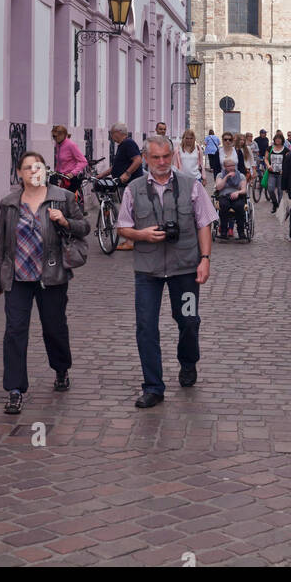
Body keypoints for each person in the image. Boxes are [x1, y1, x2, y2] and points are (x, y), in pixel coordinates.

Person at [115, 135, 216, 408]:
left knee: (189, 320)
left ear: (172, 155)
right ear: (145, 159)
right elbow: (122, 227)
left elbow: (204, 223)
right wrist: (141, 234)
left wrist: (205, 258)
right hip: (147, 271)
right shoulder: (133, 189)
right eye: (155, 158)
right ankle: (153, 386)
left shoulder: (190, 185)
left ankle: (188, 361)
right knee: (146, 327)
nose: (161, 163)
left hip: (185, 269)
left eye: (166, 157)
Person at [0, 150, 89, 416]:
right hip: (18, 277)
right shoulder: (9, 203)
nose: (34, 172)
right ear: (20, 174)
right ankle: (14, 390)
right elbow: (3, 244)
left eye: (39, 167)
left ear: (45, 171)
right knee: (14, 331)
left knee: (54, 328)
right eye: (28, 168)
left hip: (52, 275)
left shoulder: (63, 198)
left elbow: (84, 227)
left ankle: (61, 369)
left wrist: (65, 221)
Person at [98, 123, 142, 187]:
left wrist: (127, 174)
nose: (111, 136)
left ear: (117, 132)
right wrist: (101, 175)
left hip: (130, 184)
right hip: (122, 183)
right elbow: (117, 166)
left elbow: (138, 160)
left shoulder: (128, 143)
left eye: (111, 133)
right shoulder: (123, 144)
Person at [214, 157, 248, 240]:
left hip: (237, 196)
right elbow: (218, 187)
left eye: (233, 165)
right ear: (225, 167)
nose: (232, 167)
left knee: (240, 206)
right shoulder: (220, 175)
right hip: (224, 196)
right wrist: (226, 177)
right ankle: (223, 232)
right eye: (229, 166)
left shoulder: (241, 176)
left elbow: (244, 189)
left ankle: (241, 232)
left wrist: (237, 192)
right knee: (223, 206)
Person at [265, 131, 288, 210]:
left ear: (282, 140)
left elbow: (288, 161)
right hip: (272, 173)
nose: (278, 140)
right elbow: (266, 159)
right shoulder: (270, 148)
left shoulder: (286, 150)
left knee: (280, 191)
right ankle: (275, 203)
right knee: (270, 189)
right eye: (276, 139)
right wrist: (268, 166)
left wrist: (285, 169)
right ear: (274, 140)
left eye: (279, 139)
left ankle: (280, 208)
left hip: (281, 174)